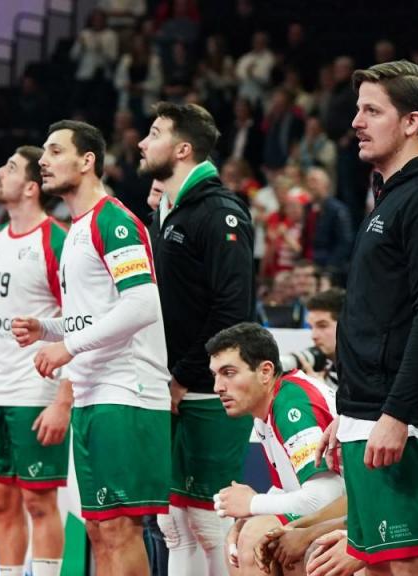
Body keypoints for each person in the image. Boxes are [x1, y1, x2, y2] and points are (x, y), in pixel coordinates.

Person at [317, 60, 418, 575]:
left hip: (408, 422)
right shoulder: (393, 195)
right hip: (373, 414)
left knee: (413, 569)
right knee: (378, 569)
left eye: (372, 110)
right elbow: (379, 314)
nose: (356, 121)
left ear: (411, 121)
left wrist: (397, 414)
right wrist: (350, 410)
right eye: (358, 109)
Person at [13, 120, 170, 576]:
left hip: (127, 391)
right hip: (94, 392)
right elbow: (96, 314)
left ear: (87, 162)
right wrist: (47, 328)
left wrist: (68, 348)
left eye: (55, 151)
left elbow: (143, 304)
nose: (43, 160)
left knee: (119, 530)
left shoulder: (113, 220)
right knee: (100, 531)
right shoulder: (78, 227)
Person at [139, 101, 255, 575]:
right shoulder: (168, 209)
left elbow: (232, 310)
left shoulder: (221, 212)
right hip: (172, 385)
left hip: (208, 391)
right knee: (173, 523)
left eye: (154, 133)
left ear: (182, 149)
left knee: (209, 522)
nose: (143, 142)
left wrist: (183, 379)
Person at [0, 145, 71, 576]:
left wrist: (63, 400)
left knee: (38, 499)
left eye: (10, 167)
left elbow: (81, 323)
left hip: (36, 390)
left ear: (32, 187)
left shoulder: (58, 241)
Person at [206, 323, 344, 576]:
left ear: (265, 372)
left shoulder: (293, 406)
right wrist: (251, 511)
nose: (218, 387)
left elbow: (327, 496)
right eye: (215, 375)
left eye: (229, 373)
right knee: (245, 533)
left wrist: (253, 503)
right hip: (348, 511)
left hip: (365, 514)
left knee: (256, 537)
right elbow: (288, 488)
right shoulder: (266, 410)